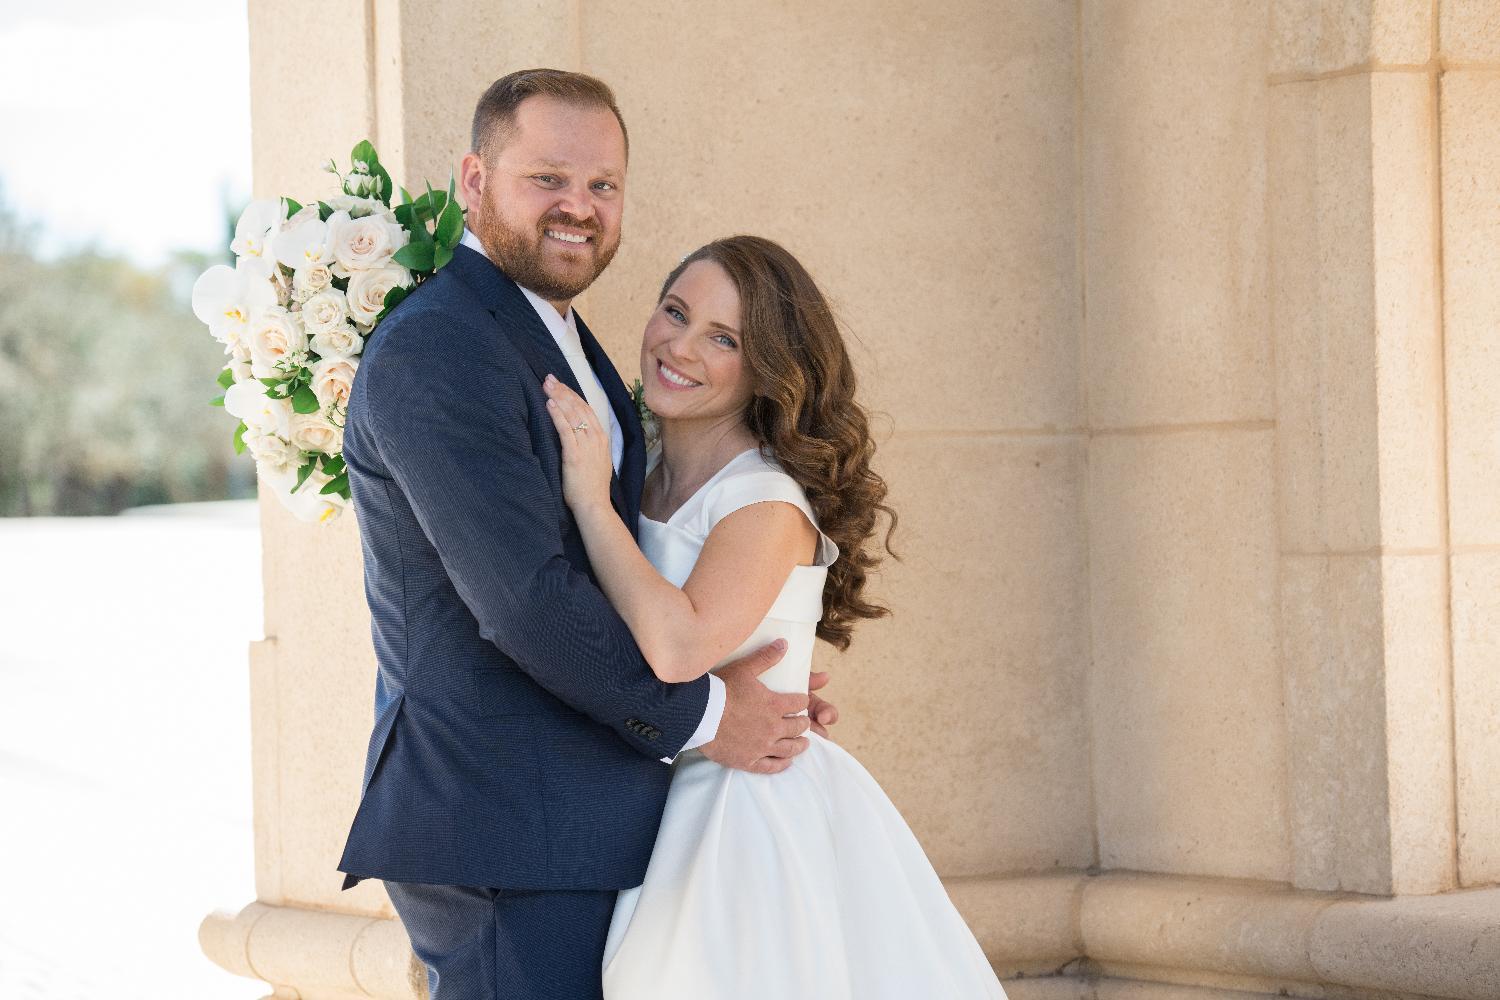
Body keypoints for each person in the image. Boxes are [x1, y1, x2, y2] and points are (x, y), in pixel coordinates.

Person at [336, 70, 840, 1000]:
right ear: (474, 181)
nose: (579, 207)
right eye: (547, 179)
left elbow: (631, 573)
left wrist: (751, 672)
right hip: (503, 818)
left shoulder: (561, 339)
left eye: (602, 185)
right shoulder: (442, 347)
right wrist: (711, 717)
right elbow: (526, 602)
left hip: (582, 816)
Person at [542, 235, 1007, 998]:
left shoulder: (763, 499)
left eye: (723, 339)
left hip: (742, 811)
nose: (680, 347)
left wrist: (590, 502)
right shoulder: (641, 466)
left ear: (766, 369)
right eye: (675, 312)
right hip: (653, 788)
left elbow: (679, 646)